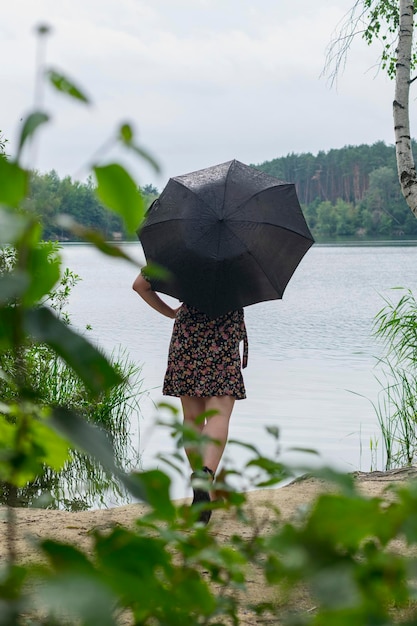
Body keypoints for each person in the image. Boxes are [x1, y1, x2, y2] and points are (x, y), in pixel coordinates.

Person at [132, 272, 248, 524]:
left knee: (193, 418)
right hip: (224, 333)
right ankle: (206, 476)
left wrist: (171, 312)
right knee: (218, 415)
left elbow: (140, 286)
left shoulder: (178, 248)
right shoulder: (241, 253)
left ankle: (198, 477)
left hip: (188, 334)